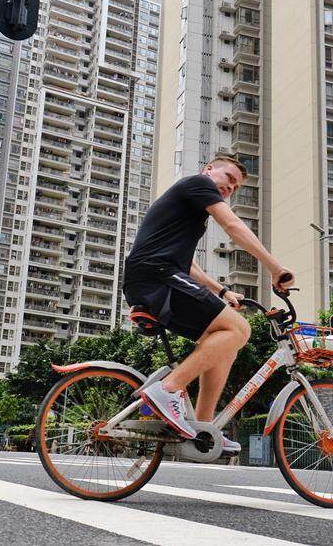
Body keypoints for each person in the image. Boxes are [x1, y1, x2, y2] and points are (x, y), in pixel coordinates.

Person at [123, 155, 294, 453]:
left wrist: (221, 291)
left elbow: (187, 264)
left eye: (236, 186)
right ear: (208, 169)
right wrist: (275, 268)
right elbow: (232, 226)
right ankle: (168, 389)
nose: (231, 186)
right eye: (228, 178)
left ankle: (202, 429)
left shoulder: (188, 208)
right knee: (240, 329)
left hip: (155, 276)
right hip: (158, 275)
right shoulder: (198, 183)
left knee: (223, 343)